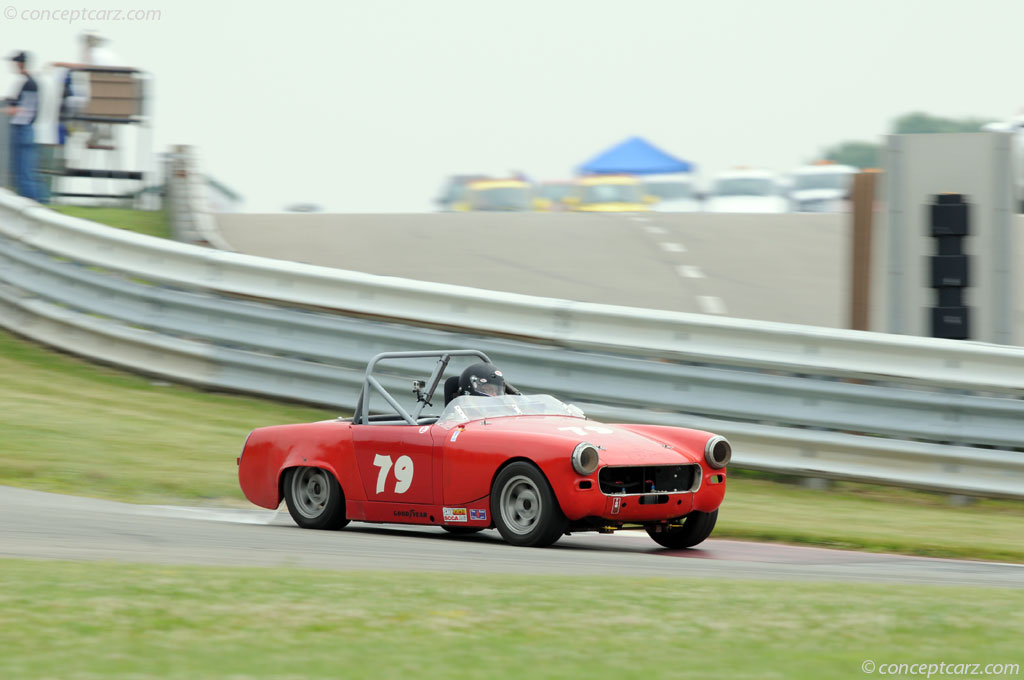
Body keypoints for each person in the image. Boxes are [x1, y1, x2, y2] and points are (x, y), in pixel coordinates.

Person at [6, 51, 42, 202]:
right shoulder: (28, 82)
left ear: (20, 64)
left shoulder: (29, 83)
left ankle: (34, 202)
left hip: (23, 130)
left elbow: (23, 110)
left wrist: (6, 109)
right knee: (22, 172)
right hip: (23, 130)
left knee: (24, 173)